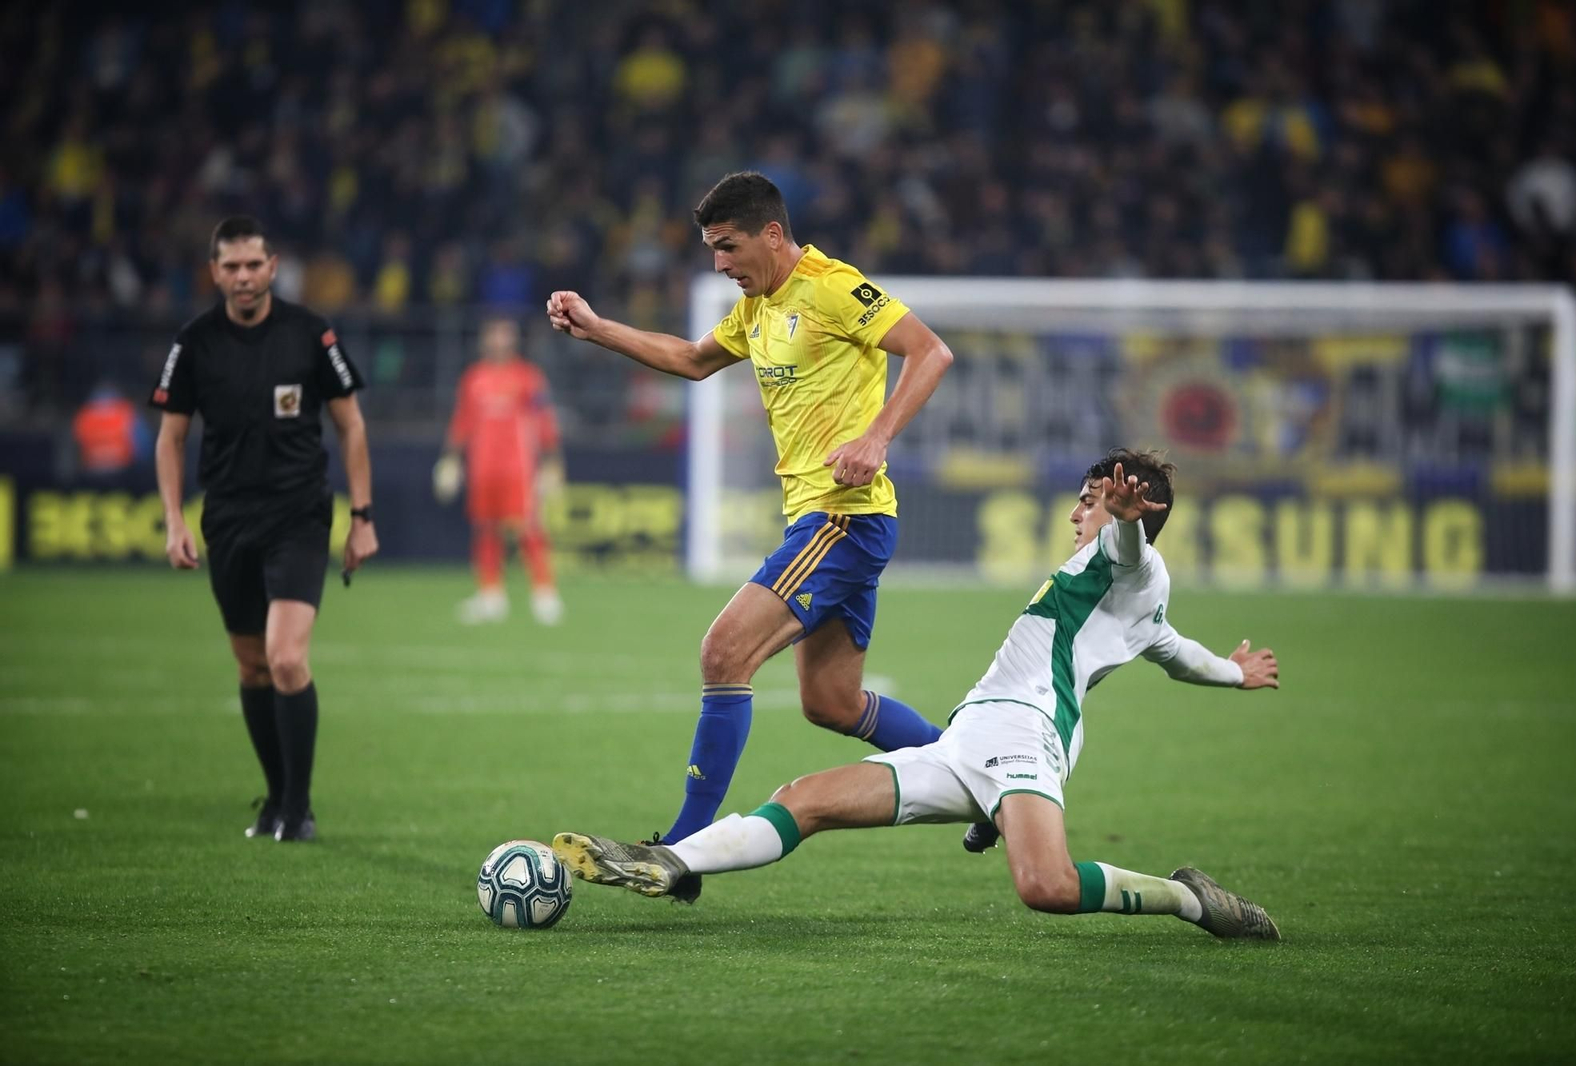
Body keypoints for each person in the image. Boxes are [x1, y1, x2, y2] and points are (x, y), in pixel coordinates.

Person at [552, 450, 1284, 940]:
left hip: (1027, 738)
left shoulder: (1132, 565)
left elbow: (1129, 553)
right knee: (802, 797)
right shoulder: (1140, 603)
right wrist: (1231, 670)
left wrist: (1123, 522)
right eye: (1087, 502)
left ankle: (1188, 898)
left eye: (1090, 502)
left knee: (1046, 887)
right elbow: (1176, 652)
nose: (1077, 515)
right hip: (968, 739)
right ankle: (672, 862)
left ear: (1133, 512)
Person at [547, 171, 953, 844]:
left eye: (729, 247)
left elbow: (930, 351)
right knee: (832, 702)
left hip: (844, 518)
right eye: (713, 249)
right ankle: (983, 776)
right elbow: (692, 358)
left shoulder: (830, 286)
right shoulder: (759, 305)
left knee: (723, 653)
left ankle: (681, 849)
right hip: (822, 521)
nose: (720, 264)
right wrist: (597, 330)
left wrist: (876, 436)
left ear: (771, 234)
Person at [151, 216, 378, 843]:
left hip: (298, 513)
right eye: (232, 267)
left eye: (255, 265)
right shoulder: (194, 342)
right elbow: (171, 439)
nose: (244, 277)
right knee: (251, 667)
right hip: (227, 516)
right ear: (215, 272)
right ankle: (275, 799)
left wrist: (362, 517)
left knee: (284, 658)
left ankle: (298, 810)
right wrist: (174, 520)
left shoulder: (311, 334)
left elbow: (351, 425)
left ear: (273, 266)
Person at [436, 316, 564, 625]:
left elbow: (544, 419)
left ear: (513, 340)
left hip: (517, 467)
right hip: (482, 467)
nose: (498, 341)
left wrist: (552, 462)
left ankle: (544, 594)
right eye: (493, 334)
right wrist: (450, 459)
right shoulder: (473, 378)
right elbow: (462, 421)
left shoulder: (527, 377)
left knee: (527, 527)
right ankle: (491, 595)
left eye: (504, 335)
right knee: (485, 527)